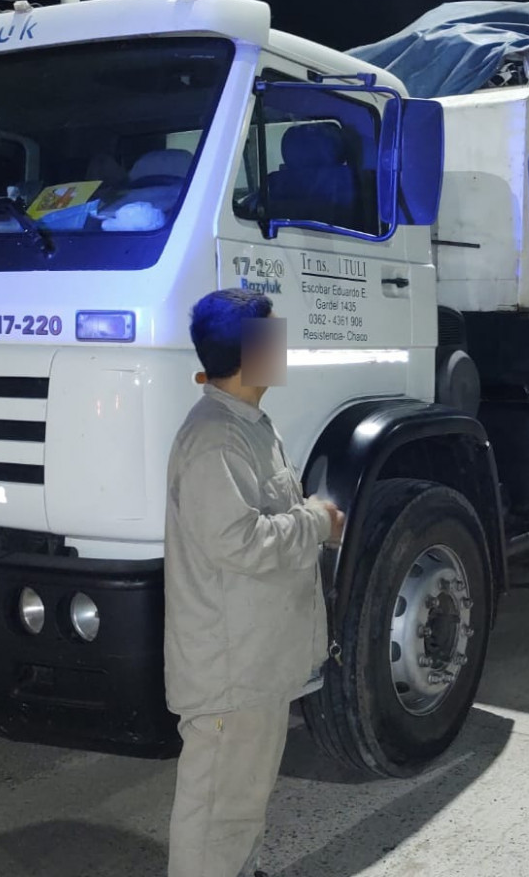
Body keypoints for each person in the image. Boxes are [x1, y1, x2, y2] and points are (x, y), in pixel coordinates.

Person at [164, 289, 344, 877]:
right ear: (248, 352)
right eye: (274, 338)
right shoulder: (215, 438)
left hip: (254, 662)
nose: (283, 349)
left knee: (239, 807)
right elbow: (240, 540)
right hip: (229, 669)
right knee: (216, 808)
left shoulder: (248, 425)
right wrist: (316, 522)